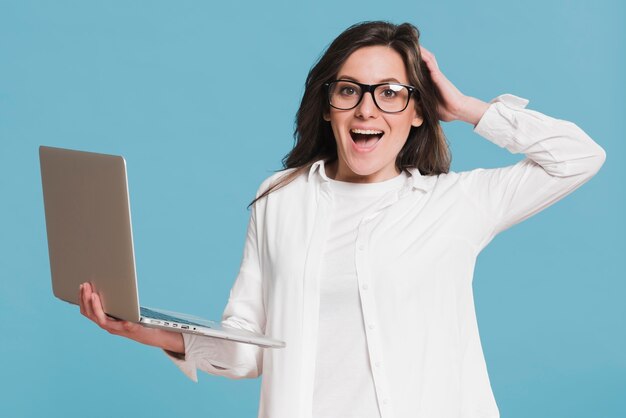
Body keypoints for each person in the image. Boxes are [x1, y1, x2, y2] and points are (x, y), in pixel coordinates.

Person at [78, 21, 606, 418]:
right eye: (349, 89)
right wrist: (142, 331)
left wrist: (467, 106)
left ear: (419, 110)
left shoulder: (457, 203)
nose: (367, 110)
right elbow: (246, 349)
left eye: (391, 93)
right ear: (329, 104)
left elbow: (579, 157)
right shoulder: (278, 200)